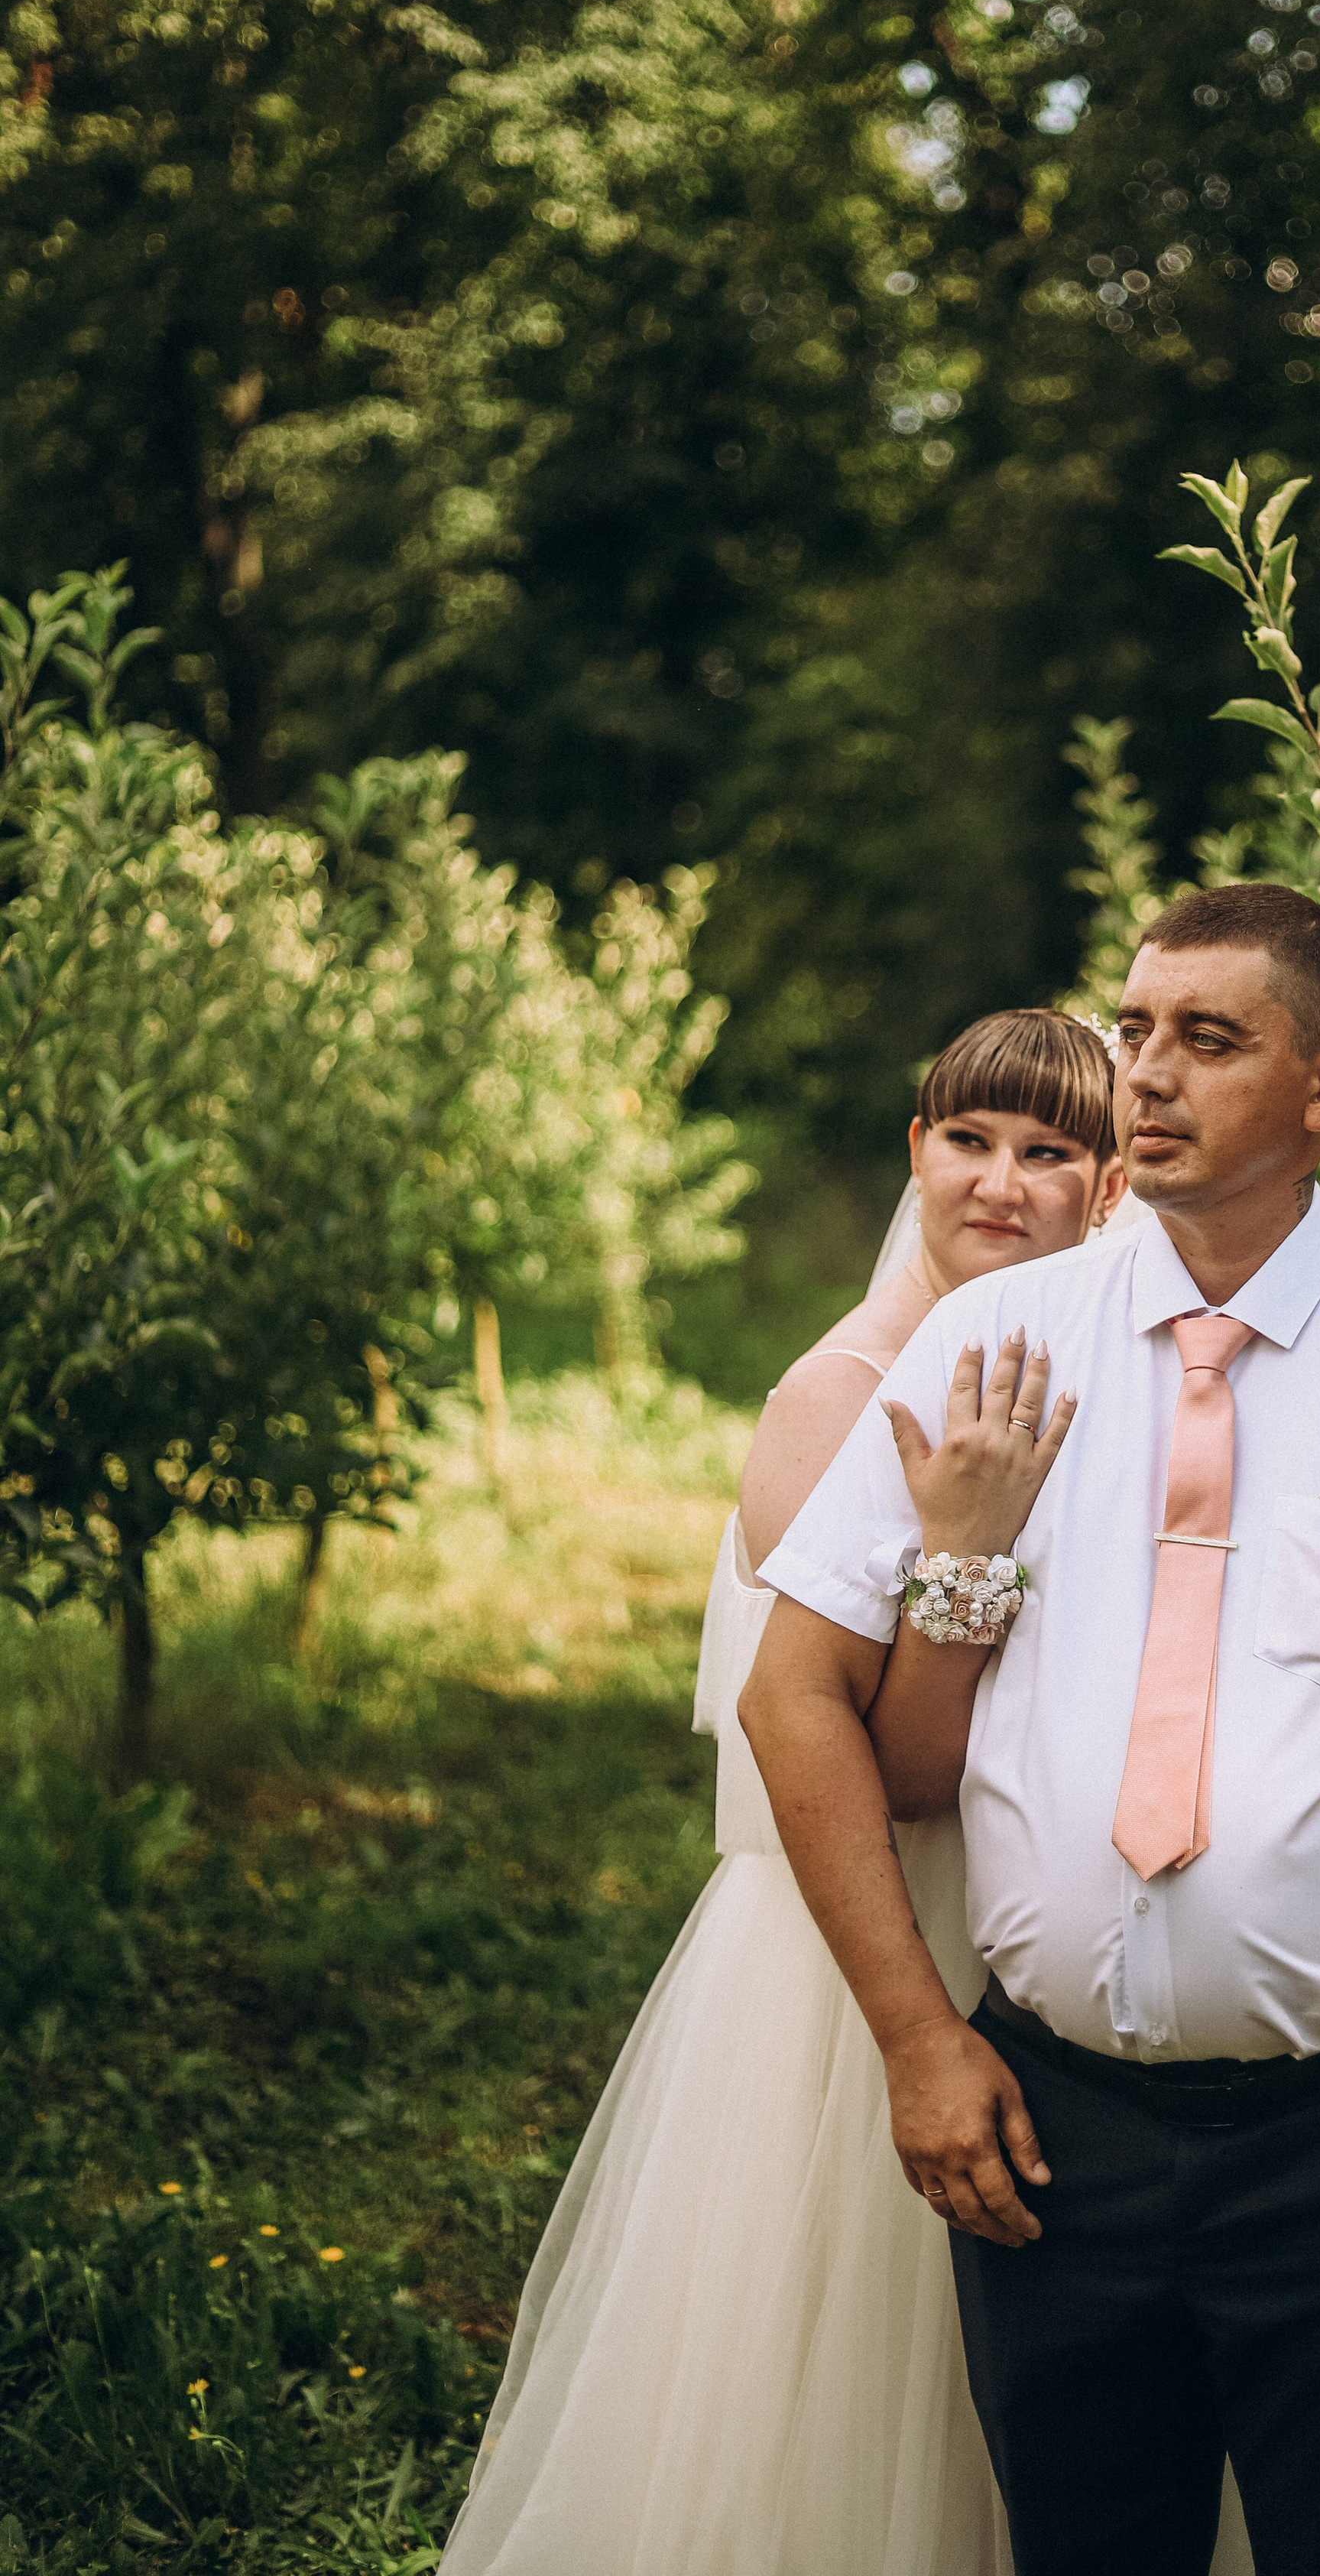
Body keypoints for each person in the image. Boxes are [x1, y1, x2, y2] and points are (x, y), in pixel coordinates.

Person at [748, 884, 1320, 2576]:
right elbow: (791, 1695)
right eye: (1136, 1029)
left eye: (1206, 1040)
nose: (1144, 1077)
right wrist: (913, 2039)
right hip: (1050, 2132)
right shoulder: (992, 1342)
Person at [440, 1009, 1159, 2576]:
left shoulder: (1074, 1377)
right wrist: (968, 1550)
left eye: (1047, 1153)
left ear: (1106, 1189)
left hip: (1032, 1907)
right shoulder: (838, 1399)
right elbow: (855, 1745)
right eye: (968, 1141)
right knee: (852, 2375)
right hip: (858, 1939)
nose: (999, 1182)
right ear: (916, 1152)